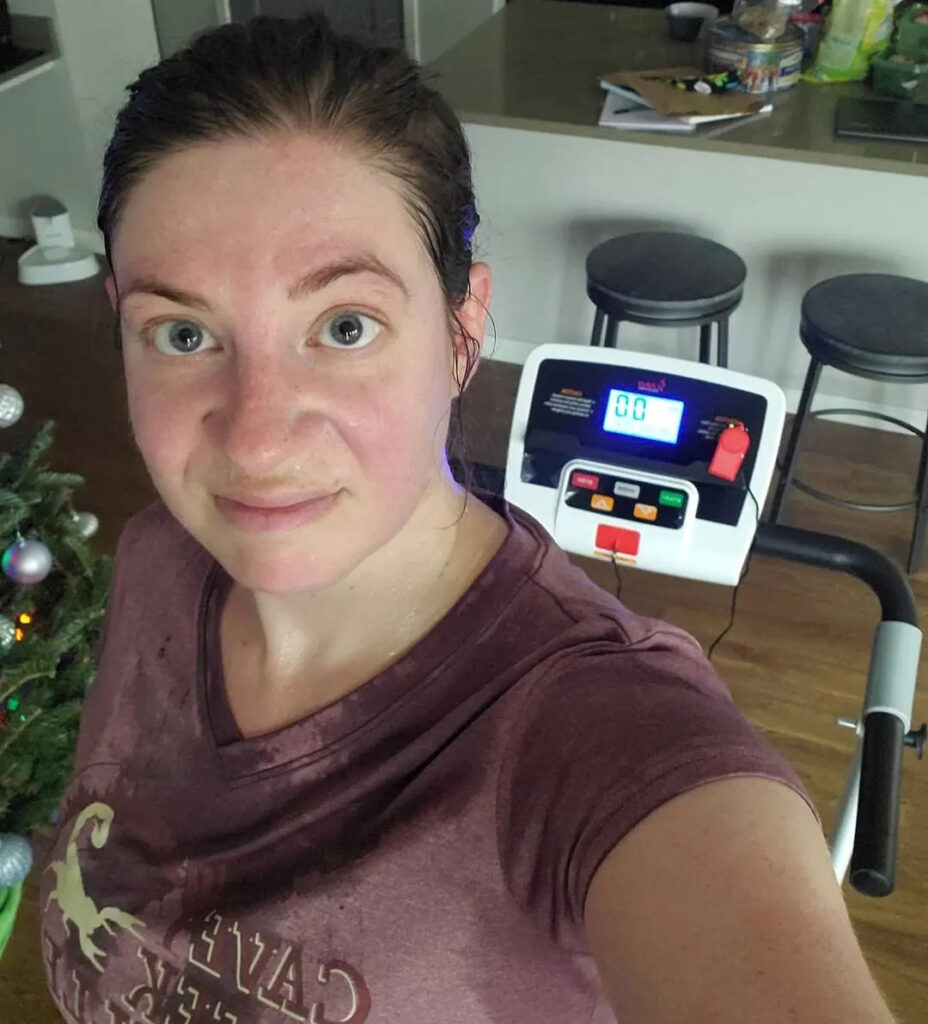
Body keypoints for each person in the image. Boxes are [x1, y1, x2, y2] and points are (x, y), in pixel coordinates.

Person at [38, 14, 896, 1024]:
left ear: (461, 329)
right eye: (182, 332)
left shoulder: (599, 747)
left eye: (344, 326)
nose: (257, 439)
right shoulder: (158, 559)